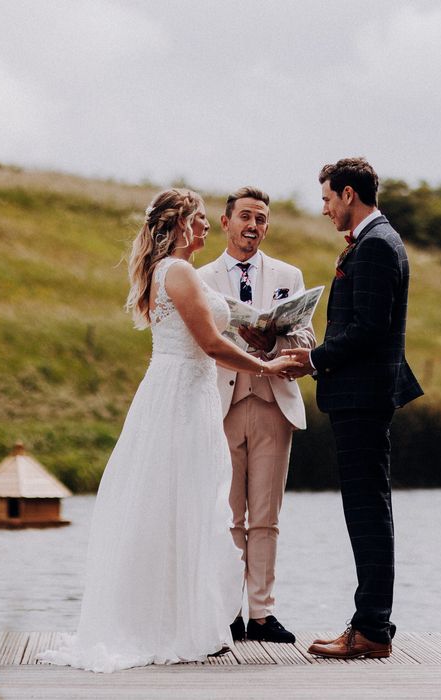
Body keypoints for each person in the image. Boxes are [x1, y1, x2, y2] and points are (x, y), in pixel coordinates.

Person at [39, 189, 300, 673]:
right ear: (179, 225)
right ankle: (175, 626)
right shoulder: (178, 272)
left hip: (186, 393)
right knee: (184, 503)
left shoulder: (170, 272)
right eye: (198, 220)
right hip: (181, 395)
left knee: (187, 504)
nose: (204, 227)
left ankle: (188, 619)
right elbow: (212, 345)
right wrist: (271, 365)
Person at [283, 157, 423, 659]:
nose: (323, 209)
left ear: (347, 194)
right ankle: (371, 626)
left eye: (325, 199)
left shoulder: (377, 247)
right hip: (360, 395)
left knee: (367, 512)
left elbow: (369, 328)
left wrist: (314, 358)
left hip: (362, 398)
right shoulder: (375, 243)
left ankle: (371, 630)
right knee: (368, 510)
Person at [198, 187, 315, 644]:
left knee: (266, 517)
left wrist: (277, 342)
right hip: (219, 405)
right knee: (227, 515)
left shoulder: (288, 274)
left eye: (261, 219)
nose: (253, 226)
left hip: (273, 403)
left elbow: (305, 337)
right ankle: (228, 612)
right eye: (245, 217)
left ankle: (262, 614)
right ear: (225, 222)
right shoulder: (199, 276)